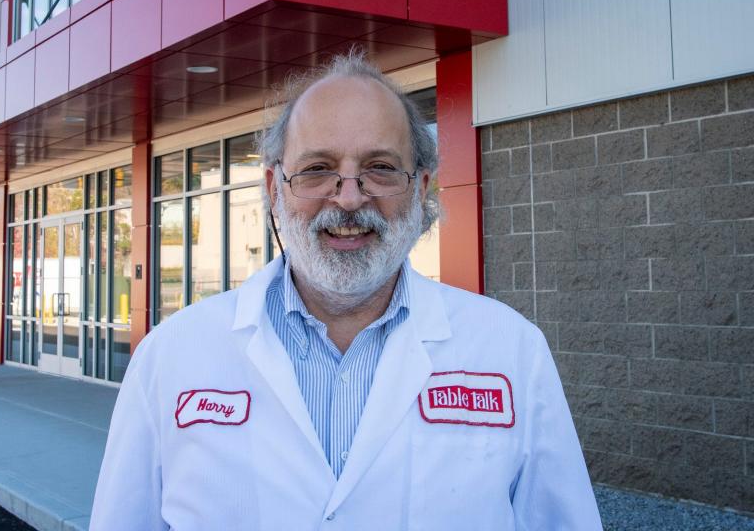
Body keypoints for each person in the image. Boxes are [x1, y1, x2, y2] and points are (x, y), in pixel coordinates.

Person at [90, 52, 602, 530]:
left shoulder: (511, 350)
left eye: (380, 168)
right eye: (317, 169)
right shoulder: (172, 355)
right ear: (273, 189)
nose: (351, 197)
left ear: (421, 189)